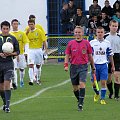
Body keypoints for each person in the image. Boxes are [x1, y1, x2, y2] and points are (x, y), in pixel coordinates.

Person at [64, 26, 95, 111]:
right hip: (73, 67)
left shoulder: (86, 43)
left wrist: (93, 67)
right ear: (74, 33)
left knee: (82, 84)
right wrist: (66, 65)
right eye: (76, 32)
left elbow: (90, 56)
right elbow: (67, 55)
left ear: (82, 33)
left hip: (83, 66)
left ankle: (80, 104)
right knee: (75, 88)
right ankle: (79, 99)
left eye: (79, 32)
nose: (78, 34)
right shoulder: (70, 43)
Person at [90, 27, 115, 104]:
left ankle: (102, 99)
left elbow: (110, 55)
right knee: (94, 84)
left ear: (104, 33)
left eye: (101, 32)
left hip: (104, 65)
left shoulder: (107, 43)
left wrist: (113, 65)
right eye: (98, 32)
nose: (100, 34)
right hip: (95, 66)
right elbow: (89, 55)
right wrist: (91, 64)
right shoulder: (92, 42)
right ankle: (97, 93)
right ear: (96, 33)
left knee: (103, 82)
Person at [0, 21, 20, 113]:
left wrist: (10, 53)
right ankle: (4, 103)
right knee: (1, 87)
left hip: (9, 63)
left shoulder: (13, 38)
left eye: (7, 29)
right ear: (1, 29)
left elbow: (17, 52)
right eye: (3, 28)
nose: (5, 30)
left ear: (9, 29)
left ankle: (8, 106)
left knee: (7, 84)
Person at [27, 19, 47, 85]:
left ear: (34, 24)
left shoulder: (39, 31)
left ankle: (38, 79)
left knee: (38, 65)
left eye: (32, 24)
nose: (30, 26)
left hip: (38, 50)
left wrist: (46, 50)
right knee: (30, 65)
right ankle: (31, 80)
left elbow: (44, 40)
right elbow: (24, 40)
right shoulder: (27, 32)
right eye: (29, 24)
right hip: (31, 50)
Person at [11, 19, 29, 88]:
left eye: (16, 24)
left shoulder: (22, 33)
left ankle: (21, 80)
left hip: (21, 54)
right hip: (13, 54)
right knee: (14, 68)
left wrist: (26, 52)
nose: (15, 25)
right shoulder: (10, 34)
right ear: (12, 25)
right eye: (14, 24)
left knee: (21, 68)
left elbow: (26, 42)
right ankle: (15, 83)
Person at [104, 20, 120, 100]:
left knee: (117, 76)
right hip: (107, 58)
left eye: (116, 26)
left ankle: (116, 96)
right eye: (113, 26)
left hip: (117, 57)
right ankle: (111, 92)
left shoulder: (119, 37)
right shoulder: (105, 36)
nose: (114, 28)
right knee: (108, 79)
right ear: (109, 26)